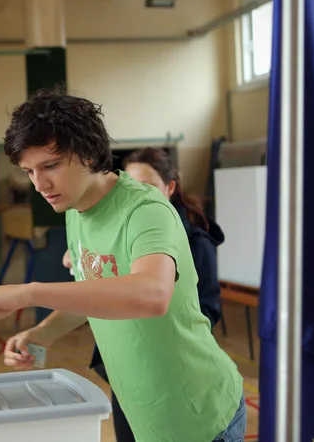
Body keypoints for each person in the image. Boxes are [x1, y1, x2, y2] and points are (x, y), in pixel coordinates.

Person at [0, 89, 245, 441]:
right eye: (29, 171)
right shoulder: (75, 210)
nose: (39, 185)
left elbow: (152, 294)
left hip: (199, 417)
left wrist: (26, 293)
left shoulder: (144, 209)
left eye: (50, 166)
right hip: (144, 414)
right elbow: (98, 291)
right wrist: (42, 335)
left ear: (88, 153)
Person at [53, 146, 227, 442]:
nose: (135, 195)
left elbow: (206, 309)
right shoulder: (109, 227)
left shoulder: (196, 241)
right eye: (129, 187)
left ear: (170, 188)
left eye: (146, 187)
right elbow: (100, 292)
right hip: (127, 371)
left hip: (171, 377)